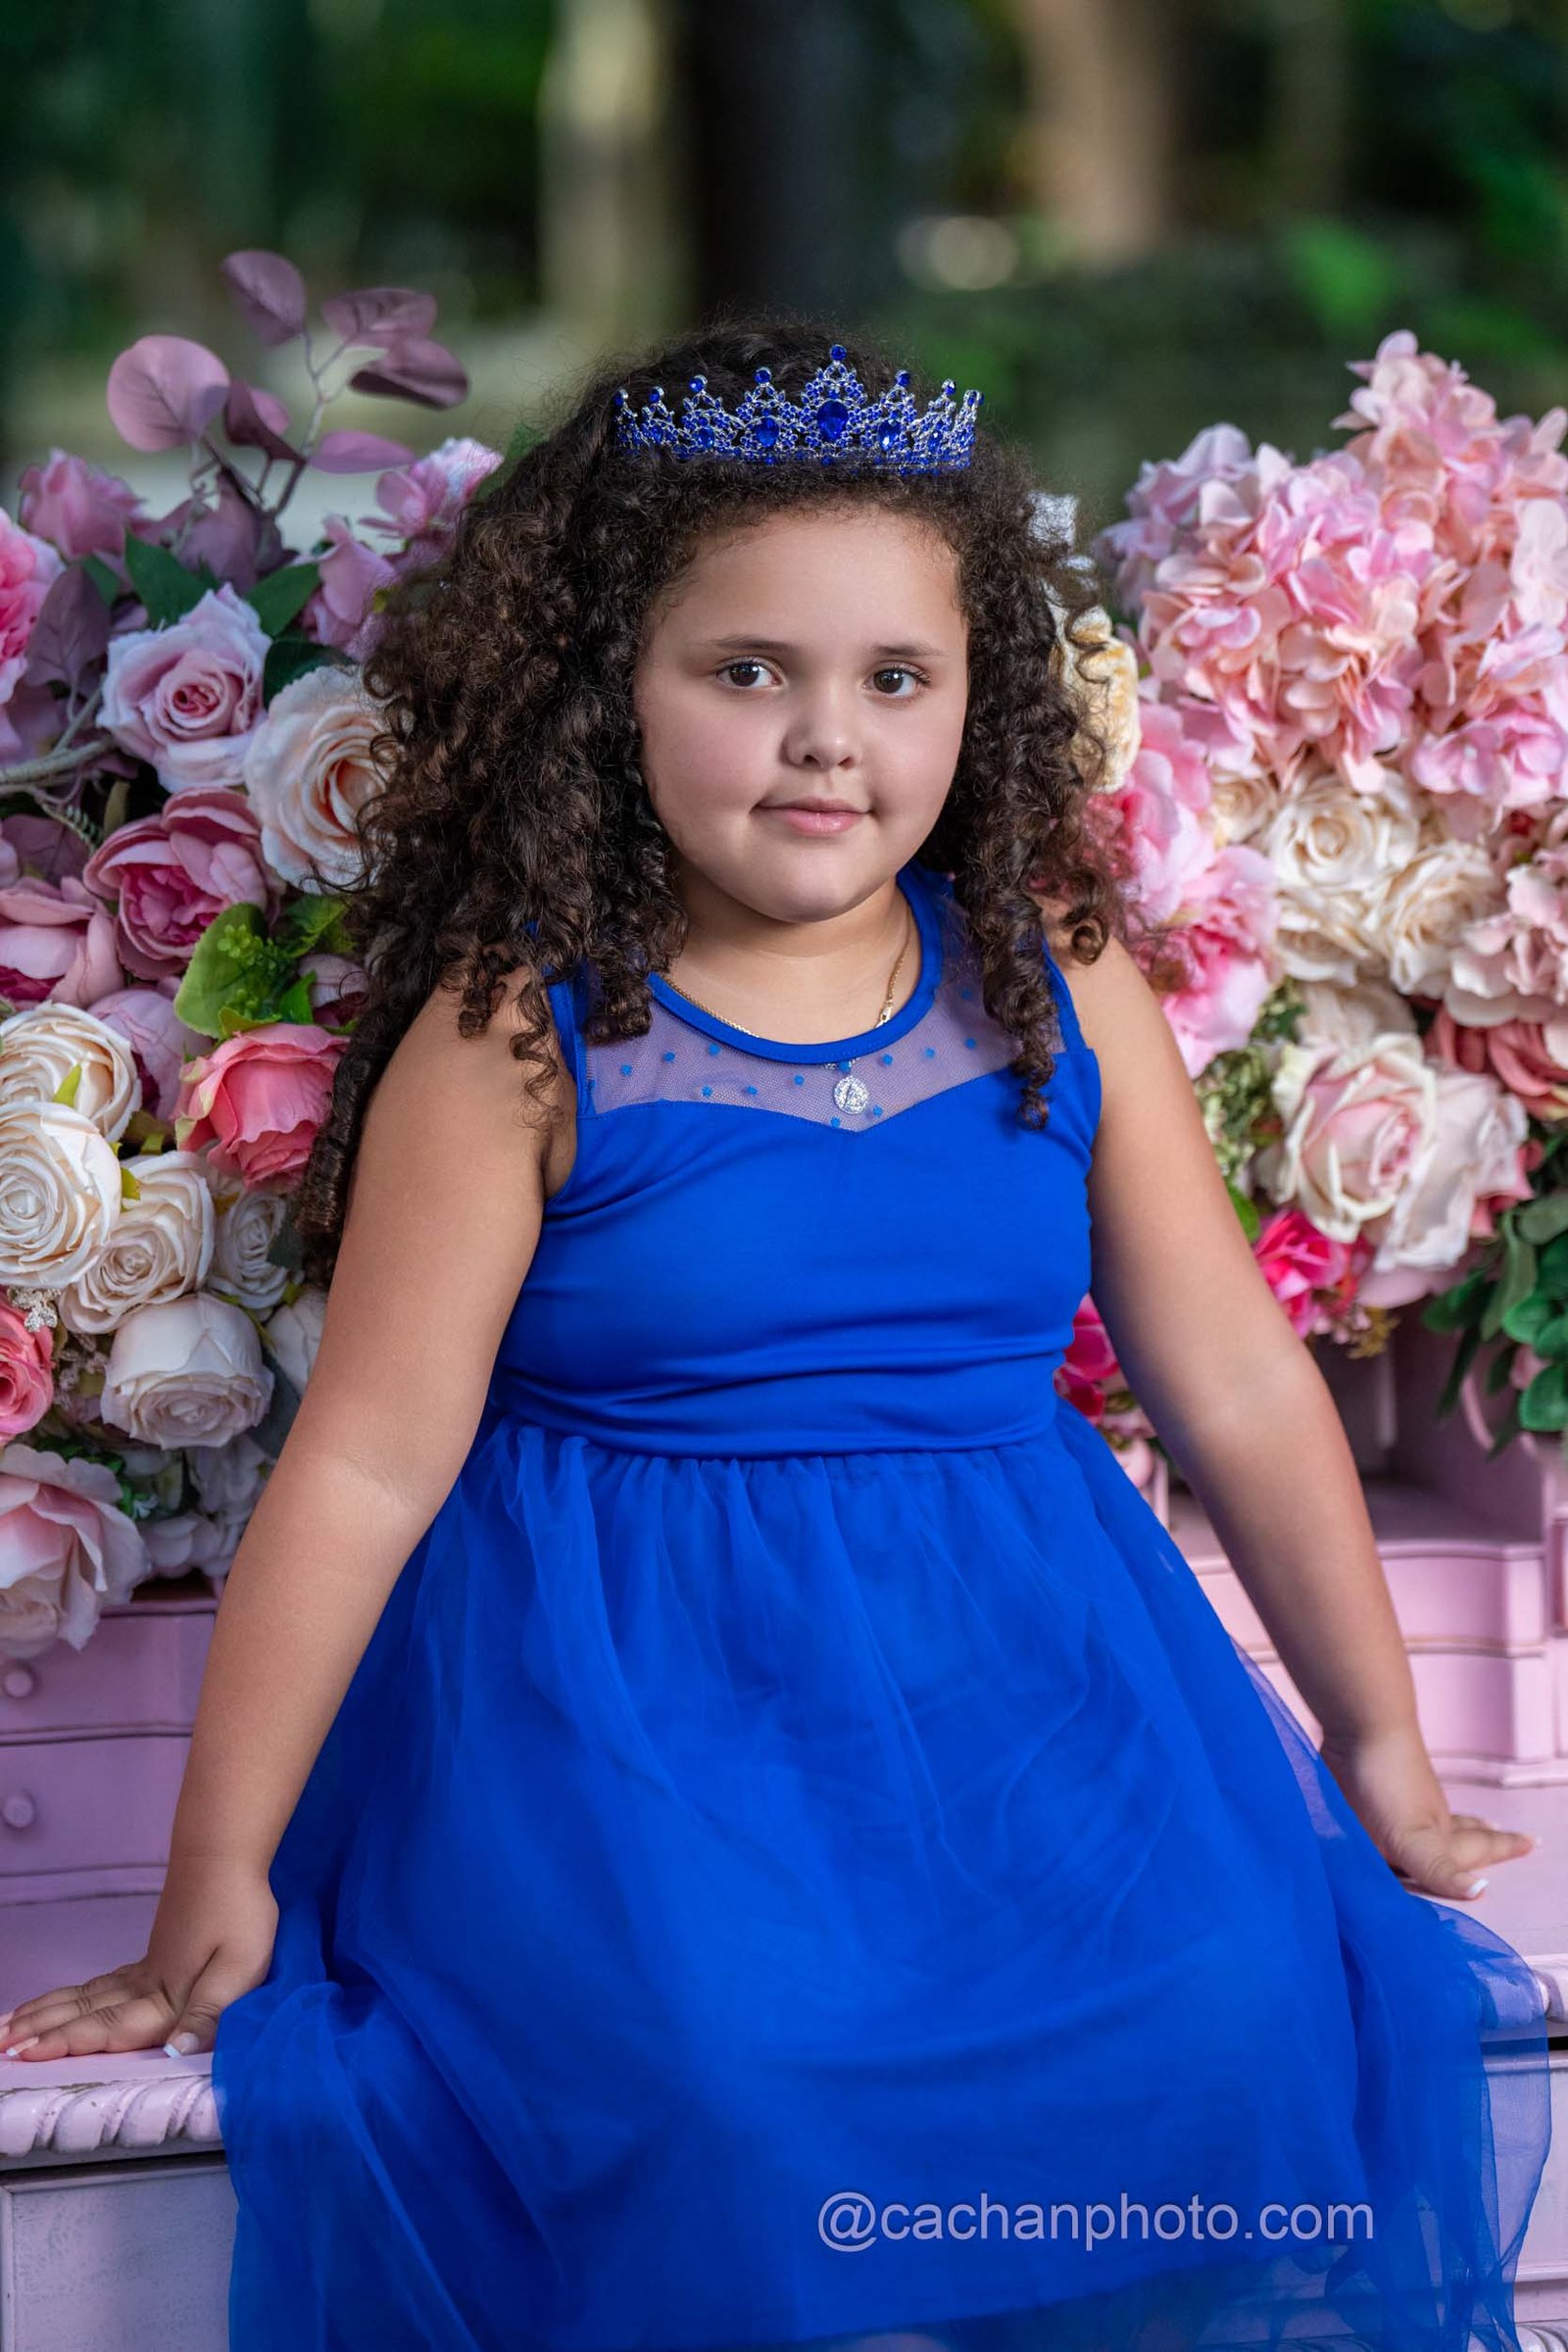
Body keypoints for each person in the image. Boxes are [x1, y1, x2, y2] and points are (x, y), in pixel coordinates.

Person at [0, 319, 1551, 2352]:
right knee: (729, 2082)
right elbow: (365, 1465)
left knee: (1230, 2003)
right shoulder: (520, 1033)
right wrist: (220, 1874)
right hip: (622, 1720)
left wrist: (1381, 1753)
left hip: (1026, 1694)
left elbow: (1242, 1382)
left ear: (974, 697)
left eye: (894, 678)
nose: (827, 739)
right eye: (746, 672)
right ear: (607, 693)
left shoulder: (1052, 980)